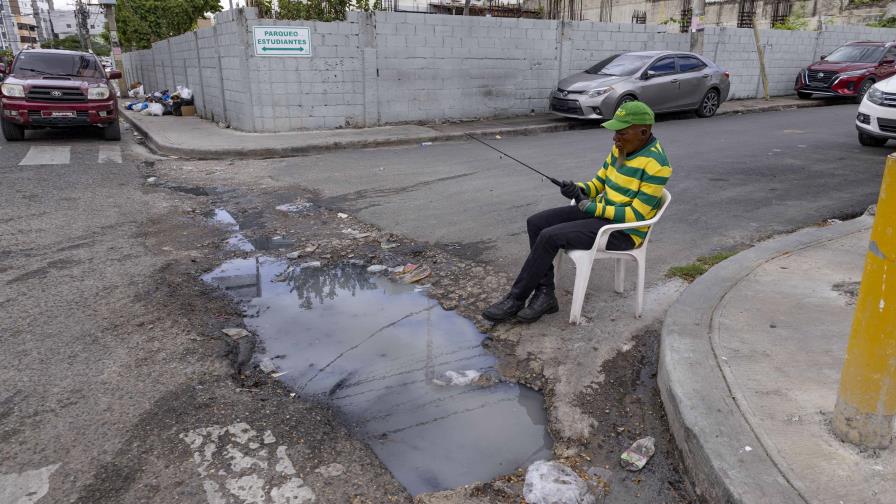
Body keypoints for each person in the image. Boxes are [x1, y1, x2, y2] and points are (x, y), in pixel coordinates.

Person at [481, 101, 672, 323]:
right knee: (536, 223)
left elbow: (637, 215)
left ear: (643, 131)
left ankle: (516, 298)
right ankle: (545, 295)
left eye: (621, 132)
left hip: (622, 232)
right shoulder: (621, 148)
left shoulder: (657, 165)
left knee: (549, 236)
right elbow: (598, 184)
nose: (615, 138)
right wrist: (578, 189)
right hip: (600, 215)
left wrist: (590, 207)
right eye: (614, 132)